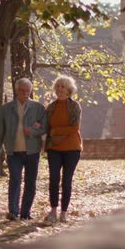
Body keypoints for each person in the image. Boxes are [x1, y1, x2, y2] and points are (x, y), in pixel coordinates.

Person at [0, 78, 47, 221]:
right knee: (15, 180)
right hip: (13, 152)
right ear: (16, 90)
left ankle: (25, 213)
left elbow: (45, 127)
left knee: (30, 183)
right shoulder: (6, 109)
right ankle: (14, 212)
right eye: (22, 90)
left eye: (28, 91)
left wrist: (33, 132)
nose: (25, 93)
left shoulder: (39, 108)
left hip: (32, 152)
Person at [44, 75, 82, 223]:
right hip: (54, 148)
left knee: (66, 181)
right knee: (53, 179)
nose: (60, 89)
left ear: (69, 90)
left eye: (63, 87)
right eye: (58, 86)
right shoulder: (51, 107)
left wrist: (56, 132)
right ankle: (53, 210)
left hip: (72, 148)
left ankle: (64, 213)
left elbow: (75, 128)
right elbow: (47, 128)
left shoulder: (75, 106)